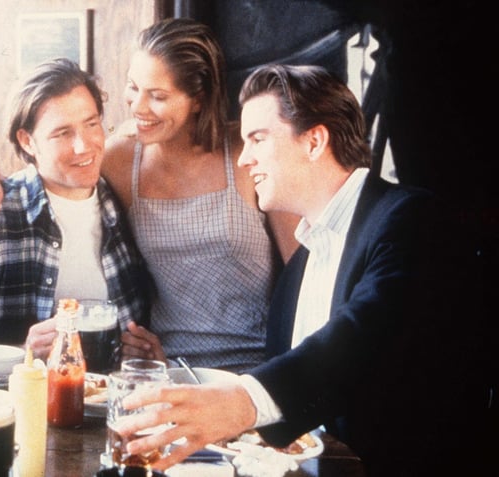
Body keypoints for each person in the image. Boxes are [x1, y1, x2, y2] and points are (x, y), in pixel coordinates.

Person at [113, 64, 486, 476]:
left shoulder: (410, 219)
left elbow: (361, 337)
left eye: (257, 139)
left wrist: (241, 402)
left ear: (313, 142)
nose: (244, 159)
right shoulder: (299, 268)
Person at [0, 18, 299, 372]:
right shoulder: (122, 159)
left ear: (198, 99)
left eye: (158, 96)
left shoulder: (247, 151)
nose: (137, 107)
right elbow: (54, 171)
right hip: (163, 367)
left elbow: (302, 266)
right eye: (133, 87)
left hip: (257, 364)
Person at [0, 58, 151, 358]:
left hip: (113, 398)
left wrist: (144, 354)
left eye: (91, 124)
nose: (84, 146)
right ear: (27, 141)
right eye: (62, 133)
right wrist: (23, 354)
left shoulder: (122, 202)